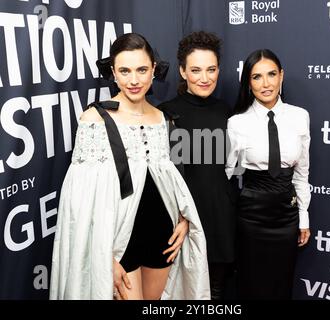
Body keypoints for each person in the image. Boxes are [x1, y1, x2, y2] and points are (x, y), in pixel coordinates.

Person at [49, 33, 210, 300]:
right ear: (112, 71)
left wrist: (183, 218)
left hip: (162, 235)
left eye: (141, 70)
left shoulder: (162, 118)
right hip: (117, 241)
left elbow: (167, 178)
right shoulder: (94, 118)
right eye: (124, 70)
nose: (134, 80)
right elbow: (79, 202)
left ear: (154, 70)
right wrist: (102, 260)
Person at [226, 49, 311, 299]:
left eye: (271, 74)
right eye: (257, 77)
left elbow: (302, 173)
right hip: (251, 217)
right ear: (248, 83)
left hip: (287, 216)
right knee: (251, 285)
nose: (266, 84)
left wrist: (303, 217)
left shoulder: (299, 117)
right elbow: (227, 172)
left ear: (281, 76)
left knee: (281, 285)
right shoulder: (237, 123)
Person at [159, 31, 236, 300]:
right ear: (182, 71)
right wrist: (180, 217)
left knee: (214, 293)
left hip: (222, 221)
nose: (205, 78)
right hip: (182, 223)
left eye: (211, 69)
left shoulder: (227, 111)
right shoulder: (165, 113)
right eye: (196, 70)